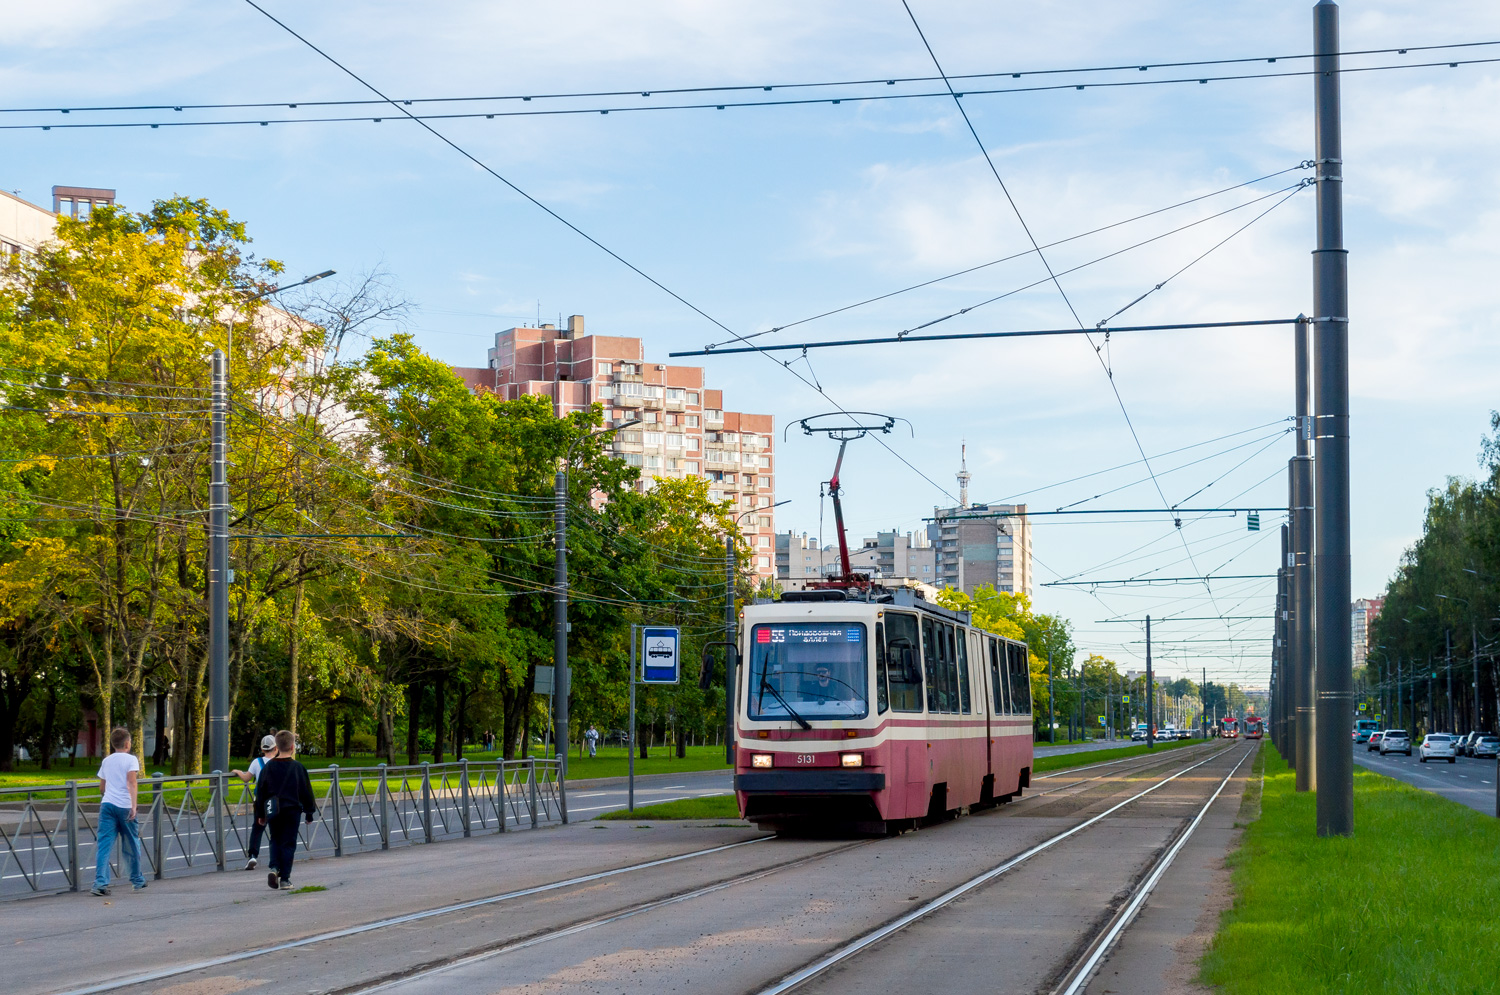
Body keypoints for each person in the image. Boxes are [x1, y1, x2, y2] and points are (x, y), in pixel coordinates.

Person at [254, 729, 317, 891]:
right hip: (292, 810)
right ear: (292, 747)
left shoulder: (268, 768)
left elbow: (261, 791)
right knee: (288, 843)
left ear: (276, 748)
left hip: (273, 810)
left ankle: (274, 868)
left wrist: (260, 814)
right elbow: (306, 791)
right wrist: (309, 812)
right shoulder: (298, 768)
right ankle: (285, 879)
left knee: (275, 839)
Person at [93, 727, 147, 896]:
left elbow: (102, 787)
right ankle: (137, 880)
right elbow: (132, 782)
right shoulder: (131, 760)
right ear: (127, 743)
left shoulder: (106, 761)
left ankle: (100, 883)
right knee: (131, 843)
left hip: (107, 805)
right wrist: (133, 806)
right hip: (124, 805)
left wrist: (110, 795)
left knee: (104, 844)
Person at [231, 734, 279, 871]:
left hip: (261, 800)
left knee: (257, 828)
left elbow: (246, 778)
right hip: (276, 801)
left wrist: (238, 772)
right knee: (276, 830)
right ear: (275, 748)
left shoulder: (257, 762)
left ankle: (253, 855)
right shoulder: (279, 761)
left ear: (262, 749)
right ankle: (278, 858)